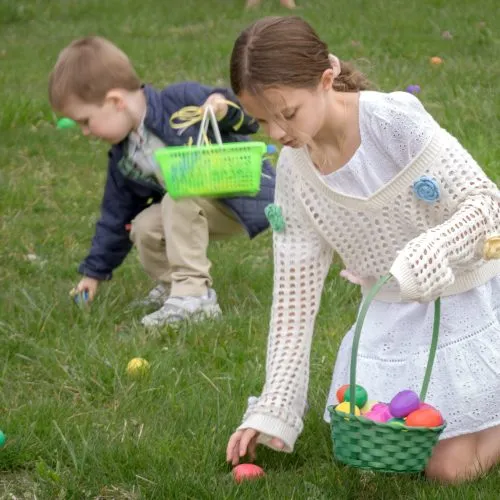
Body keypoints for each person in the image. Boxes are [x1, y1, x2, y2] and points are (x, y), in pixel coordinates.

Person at [225, 16, 500, 483]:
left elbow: (489, 205)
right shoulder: (295, 176)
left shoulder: (392, 122)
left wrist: (433, 250)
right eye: (261, 120)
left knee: (448, 471)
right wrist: (274, 408)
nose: (275, 132)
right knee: (384, 454)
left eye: (286, 113)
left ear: (326, 80)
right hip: (392, 320)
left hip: (467, 301)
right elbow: (294, 300)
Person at [48, 36, 275, 327]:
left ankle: (196, 298)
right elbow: (115, 218)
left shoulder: (180, 101)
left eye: (86, 121)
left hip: (241, 196)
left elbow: (249, 120)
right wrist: (93, 274)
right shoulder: (125, 157)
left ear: (115, 101)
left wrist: (222, 107)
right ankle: (174, 289)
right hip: (190, 209)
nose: (85, 132)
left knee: (177, 194)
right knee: (143, 226)